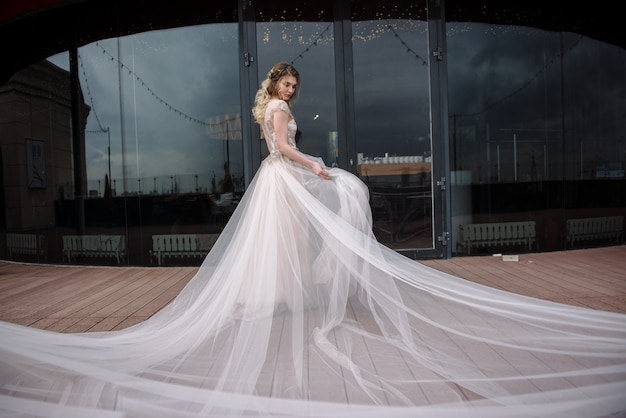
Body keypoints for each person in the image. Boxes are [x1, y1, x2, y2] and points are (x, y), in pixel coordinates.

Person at [0, 62, 625, 418]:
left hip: (281, 179)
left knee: (303, 229)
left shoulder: (273, 105)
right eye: (287, 87)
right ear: (274, 86)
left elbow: (282, 146)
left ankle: (282, 294)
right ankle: (281, 295)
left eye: (295, 90)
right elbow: (283, 148)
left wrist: (312, 165)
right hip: (284, 177)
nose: (291, 95)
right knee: (332, 198)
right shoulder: (274, 115)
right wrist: (316, 166)